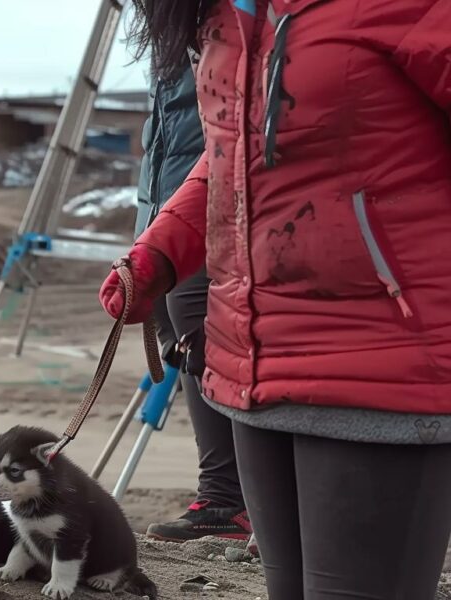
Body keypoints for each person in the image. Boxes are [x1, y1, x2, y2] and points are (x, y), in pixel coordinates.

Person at [102, 1, 451, 598]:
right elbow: (229, 159)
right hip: (251, 367)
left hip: (382, 367)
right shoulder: (230, 15)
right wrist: (160, 250)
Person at [136, 55, 251, 543]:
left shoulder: (229, 21)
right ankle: (224, 495)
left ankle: (230, 499)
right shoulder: (174, 33)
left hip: (213, 196)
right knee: (177, 332)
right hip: (165, 196)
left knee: (201, 330)